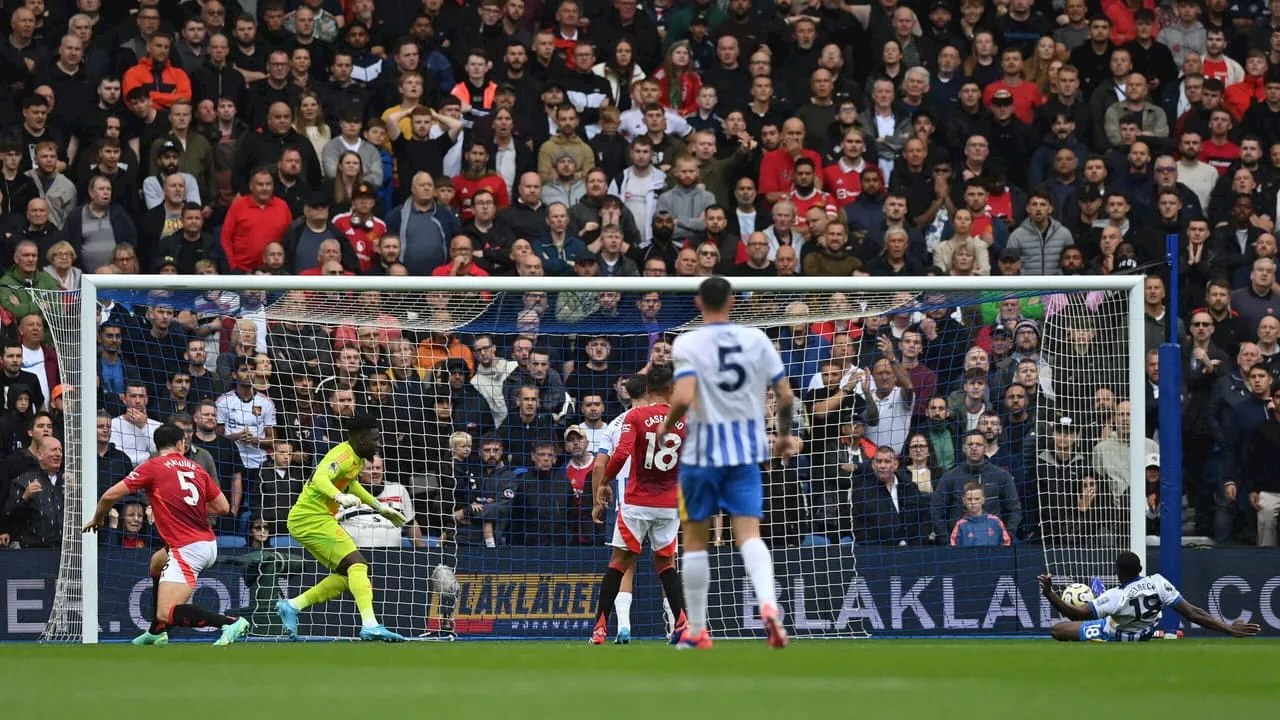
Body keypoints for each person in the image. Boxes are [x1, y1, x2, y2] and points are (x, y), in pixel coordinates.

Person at [659, 276, 798, 649]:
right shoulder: (757, 339)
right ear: (733, 302)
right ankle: (768, 603)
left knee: (695, 542)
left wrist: (668, 428)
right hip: (746, 454)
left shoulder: (687, 341)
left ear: (699, 303)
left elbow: (685, 395)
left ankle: (698, 629)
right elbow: (785, 396)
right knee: (750, 535)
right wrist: (783, 435)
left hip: (701, 456)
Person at [83, 423, 250, 646]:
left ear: (157, 444)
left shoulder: (152, 466)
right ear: (181, 444)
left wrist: (98, 518)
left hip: (187, 548)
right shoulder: (196, 467)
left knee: (167, 612)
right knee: (157, 562)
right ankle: (156, 631)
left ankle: (230, 622)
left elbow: (108, 496)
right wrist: (190, 507)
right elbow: (223, 507)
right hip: (206, 541)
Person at [274, 414, 409, 642]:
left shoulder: (355, 459)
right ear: (361, 438)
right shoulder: (343, 455)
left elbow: (352, 484)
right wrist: (338, 496)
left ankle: (292, 606)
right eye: (375, 439)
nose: (378, 444)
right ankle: (370, 625)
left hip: (314, 519)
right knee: (358, 563)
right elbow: (319, 477)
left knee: (348, 574)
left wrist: (379, 507)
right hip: (311, 519)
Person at [589, 366, 687, 645]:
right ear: (670, 389)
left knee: (619, 563)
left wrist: (606, 481)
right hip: (669, 503)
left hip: (636, 501)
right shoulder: (684, 419)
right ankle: (681, 625)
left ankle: (600, 629)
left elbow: (620, 453)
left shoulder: (634, 416)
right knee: (666, 564)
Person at [1039, 551, 1260, 641]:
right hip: (1147, 631)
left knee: (1058, 630)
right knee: (1109, 611)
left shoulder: (1117, 595)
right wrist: (1228, 628)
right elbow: (1194, 613)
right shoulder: (1158, 582)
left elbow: (1077, 614)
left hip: (1118, 634)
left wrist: (1050, 594)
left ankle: (1102, 628)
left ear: (1118, 572)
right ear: (1140, 568)